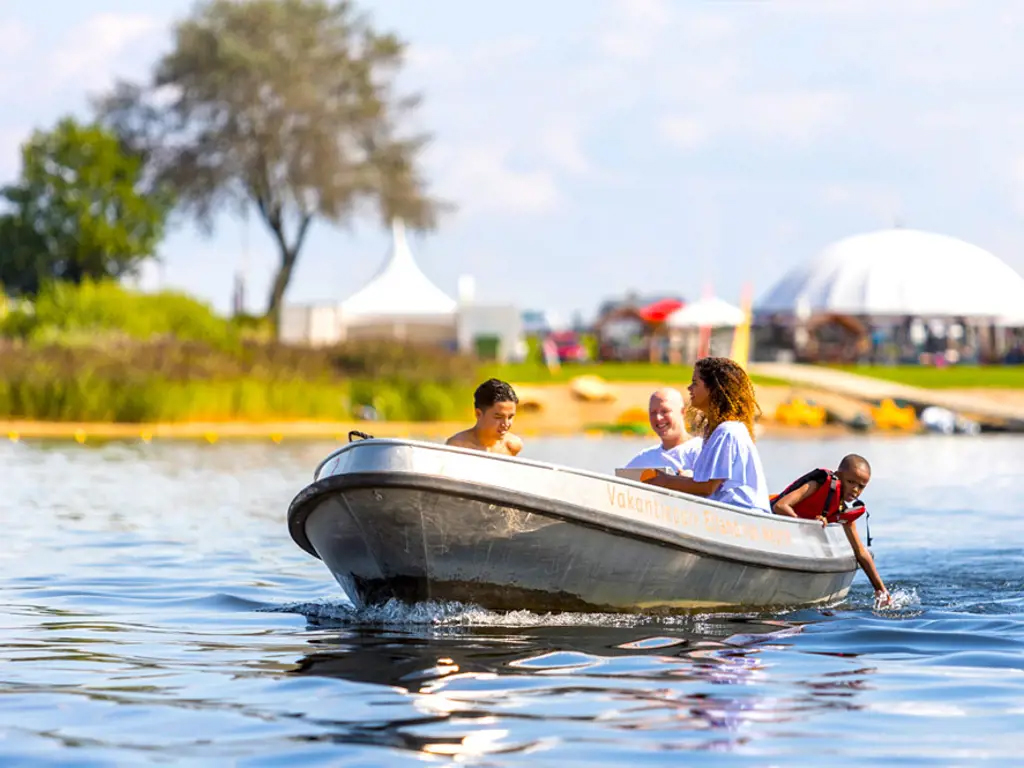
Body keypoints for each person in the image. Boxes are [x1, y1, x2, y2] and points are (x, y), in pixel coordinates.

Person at [641, 357, 771, 514]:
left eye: (695, 382)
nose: (689, 388)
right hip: (725, 516)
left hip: (744, 516)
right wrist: (680, 479)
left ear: (713, 389)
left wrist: (666, 481)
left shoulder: (728, 431)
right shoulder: (716, 432)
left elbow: (707, 487)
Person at [771, 454, 890, 605]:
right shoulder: (818, 484)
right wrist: (809, 525)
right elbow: (780, 506)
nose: (855, 490)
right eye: (851, 482)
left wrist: (880, 590)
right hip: (771, 525)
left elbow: (860, 551)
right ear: (838, 476)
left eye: (861, 486)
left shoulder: (842, 511)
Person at [623, 388, 704, 472]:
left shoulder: (701, 450)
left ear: (683, 412)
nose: (658, 418)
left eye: (665, 411)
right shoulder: (643, 459)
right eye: (653, 412)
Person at [446, 378, 523, 456]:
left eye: (510, 417)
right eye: (498, 417)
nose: (506, 424)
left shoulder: (512, 446)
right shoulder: (458, 447)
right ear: (478, 414)